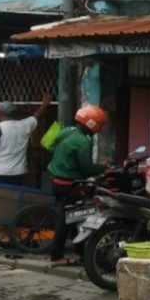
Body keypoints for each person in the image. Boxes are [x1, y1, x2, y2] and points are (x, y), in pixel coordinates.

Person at [46, 105, 108, 267]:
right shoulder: (83, 142)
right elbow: (87, 169)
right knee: (66, 220)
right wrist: (103, 167)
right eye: (100, 125)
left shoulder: (67, 131)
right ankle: (57, 256)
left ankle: (81, 251)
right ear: (93, 124)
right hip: (69, 185)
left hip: (55, 180)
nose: (100, 129)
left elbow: (53, 145)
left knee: (73, 216)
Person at [0, 94, 51, 184]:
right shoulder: (24, 125)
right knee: (15, 193)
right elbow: (37, 115)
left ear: (1, 114)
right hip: (19, 172)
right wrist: (45, 104)